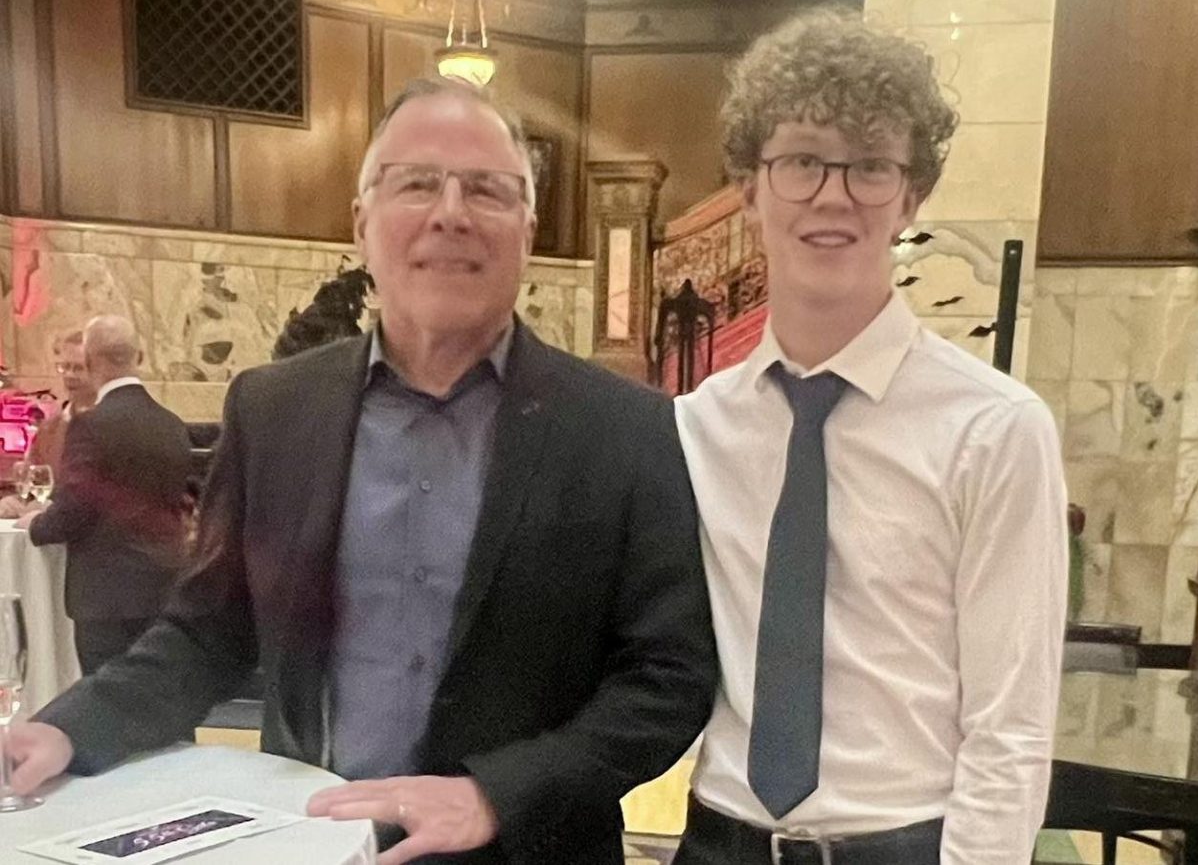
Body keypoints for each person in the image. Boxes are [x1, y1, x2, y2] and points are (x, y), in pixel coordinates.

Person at [8, 78, 717, 865]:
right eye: (416, 184)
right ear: (361, 224)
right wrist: (68, 727)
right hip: (312, 840)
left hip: (530, 849)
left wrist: (496, 793)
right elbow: (209, 630)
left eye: (487, 189)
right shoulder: (273, 409)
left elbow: (667, 678)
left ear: (527, 229)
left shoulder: (627, 429)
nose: (450, 213)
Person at [672, 10, 1068, 865]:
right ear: (749, 187)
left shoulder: (995, 431)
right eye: (802, 161)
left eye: (871, 166)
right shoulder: (697, 426)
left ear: (911, 196)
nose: (834, 196)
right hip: (718, 843)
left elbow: (1011, 727)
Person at [17, 315, 191, 675]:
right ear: (139, 357)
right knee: (159, 692)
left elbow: (75, 509)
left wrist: (35, 525)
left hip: (107, 597)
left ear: (90, 360)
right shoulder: (171, 424)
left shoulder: (90, 426)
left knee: (108, 698)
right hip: (164, 587)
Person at [0, 331, 96, 518]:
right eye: (64, 367)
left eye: (78, 368)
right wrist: (17, 501)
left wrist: (48, 511)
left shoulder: (113, 426)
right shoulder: (50, 428)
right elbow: (35, 482)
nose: (69, 375)